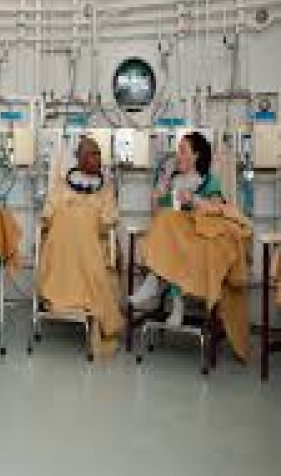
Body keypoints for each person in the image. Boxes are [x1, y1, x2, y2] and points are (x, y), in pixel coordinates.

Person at [37, 136, 122, 356]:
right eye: (92, 154)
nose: (97, 159)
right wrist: (71, 212)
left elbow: (109, 220)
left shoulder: (105, 189)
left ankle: (86, 301)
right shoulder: (61, 186)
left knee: (83, 220)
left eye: (99, 154)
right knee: (67, 217)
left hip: (93, 247)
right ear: (80, 158)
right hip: (62, 252)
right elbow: (47, 216)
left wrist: (85, 214)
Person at [128, 131, 225, 326]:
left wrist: (194, 200)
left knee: (171, 241)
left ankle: (156, 284)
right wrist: (156, 198)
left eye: (182, 151)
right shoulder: (172, 181)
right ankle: (173, 300)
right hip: (174, 241)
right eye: (177, 151)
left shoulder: (208, 181)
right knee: (167, 230)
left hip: (197, 241)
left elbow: (218, 209)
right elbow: (158, 217)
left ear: (196, 155)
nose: (177, 156)